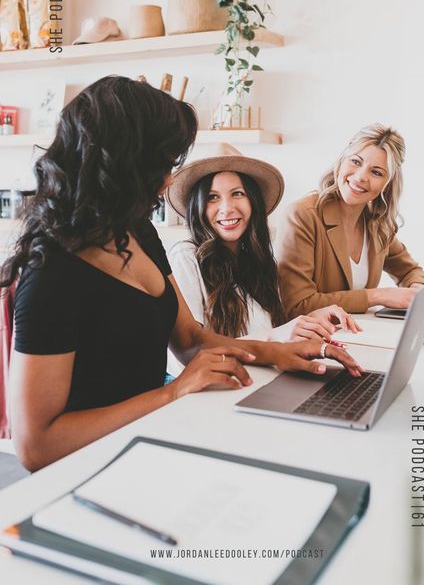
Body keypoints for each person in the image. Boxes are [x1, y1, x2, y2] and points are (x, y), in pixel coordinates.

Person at [1, 77, 362, 472]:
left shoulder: (138, 230)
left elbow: (189, 338)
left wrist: (277, 353)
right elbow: (37, 446)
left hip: (151, 442)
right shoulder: (54, 274)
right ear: (123, 163)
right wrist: (172, 393)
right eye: (163, 164)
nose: (170, 179)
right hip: (91, 473)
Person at [164, 144, 361, 376]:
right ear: (197, 206)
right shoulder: (185, 258)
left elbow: (264, 331)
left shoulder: (258, 257)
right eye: (212, 197)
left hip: (255, 379)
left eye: (237, 194)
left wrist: (305, 321)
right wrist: (276, 336)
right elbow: (184, 359)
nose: (226, 208)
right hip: (205, 396)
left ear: (253, 201)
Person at [275, 124, 424, 316]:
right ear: (341, 160)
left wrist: (420, 290)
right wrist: (378, 296)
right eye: (356, 161)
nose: (361, 177)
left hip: (358, 335)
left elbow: (409, 270)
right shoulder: (301, 215)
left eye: (376, 172)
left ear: (387, 184)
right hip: (310, 342)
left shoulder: (377, 224)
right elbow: (297, 304)